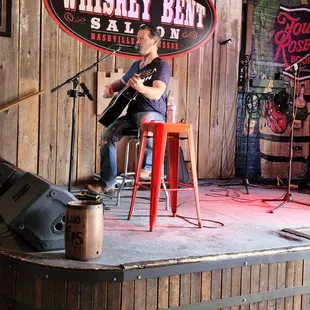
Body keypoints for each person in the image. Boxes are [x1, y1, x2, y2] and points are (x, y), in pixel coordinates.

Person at [86, 24, 171, 194]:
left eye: (142, 38)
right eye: (137, 38)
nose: (137, 41)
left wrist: (141, 88)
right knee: (105, 138)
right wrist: (111, 86)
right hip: (131, 113)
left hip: (152, 112)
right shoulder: (136, 66)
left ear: (154, 41)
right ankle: (107, 184)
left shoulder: (161, 66)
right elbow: (122, 83)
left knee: (148, 122)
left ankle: (148, 167)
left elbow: (157, 92)